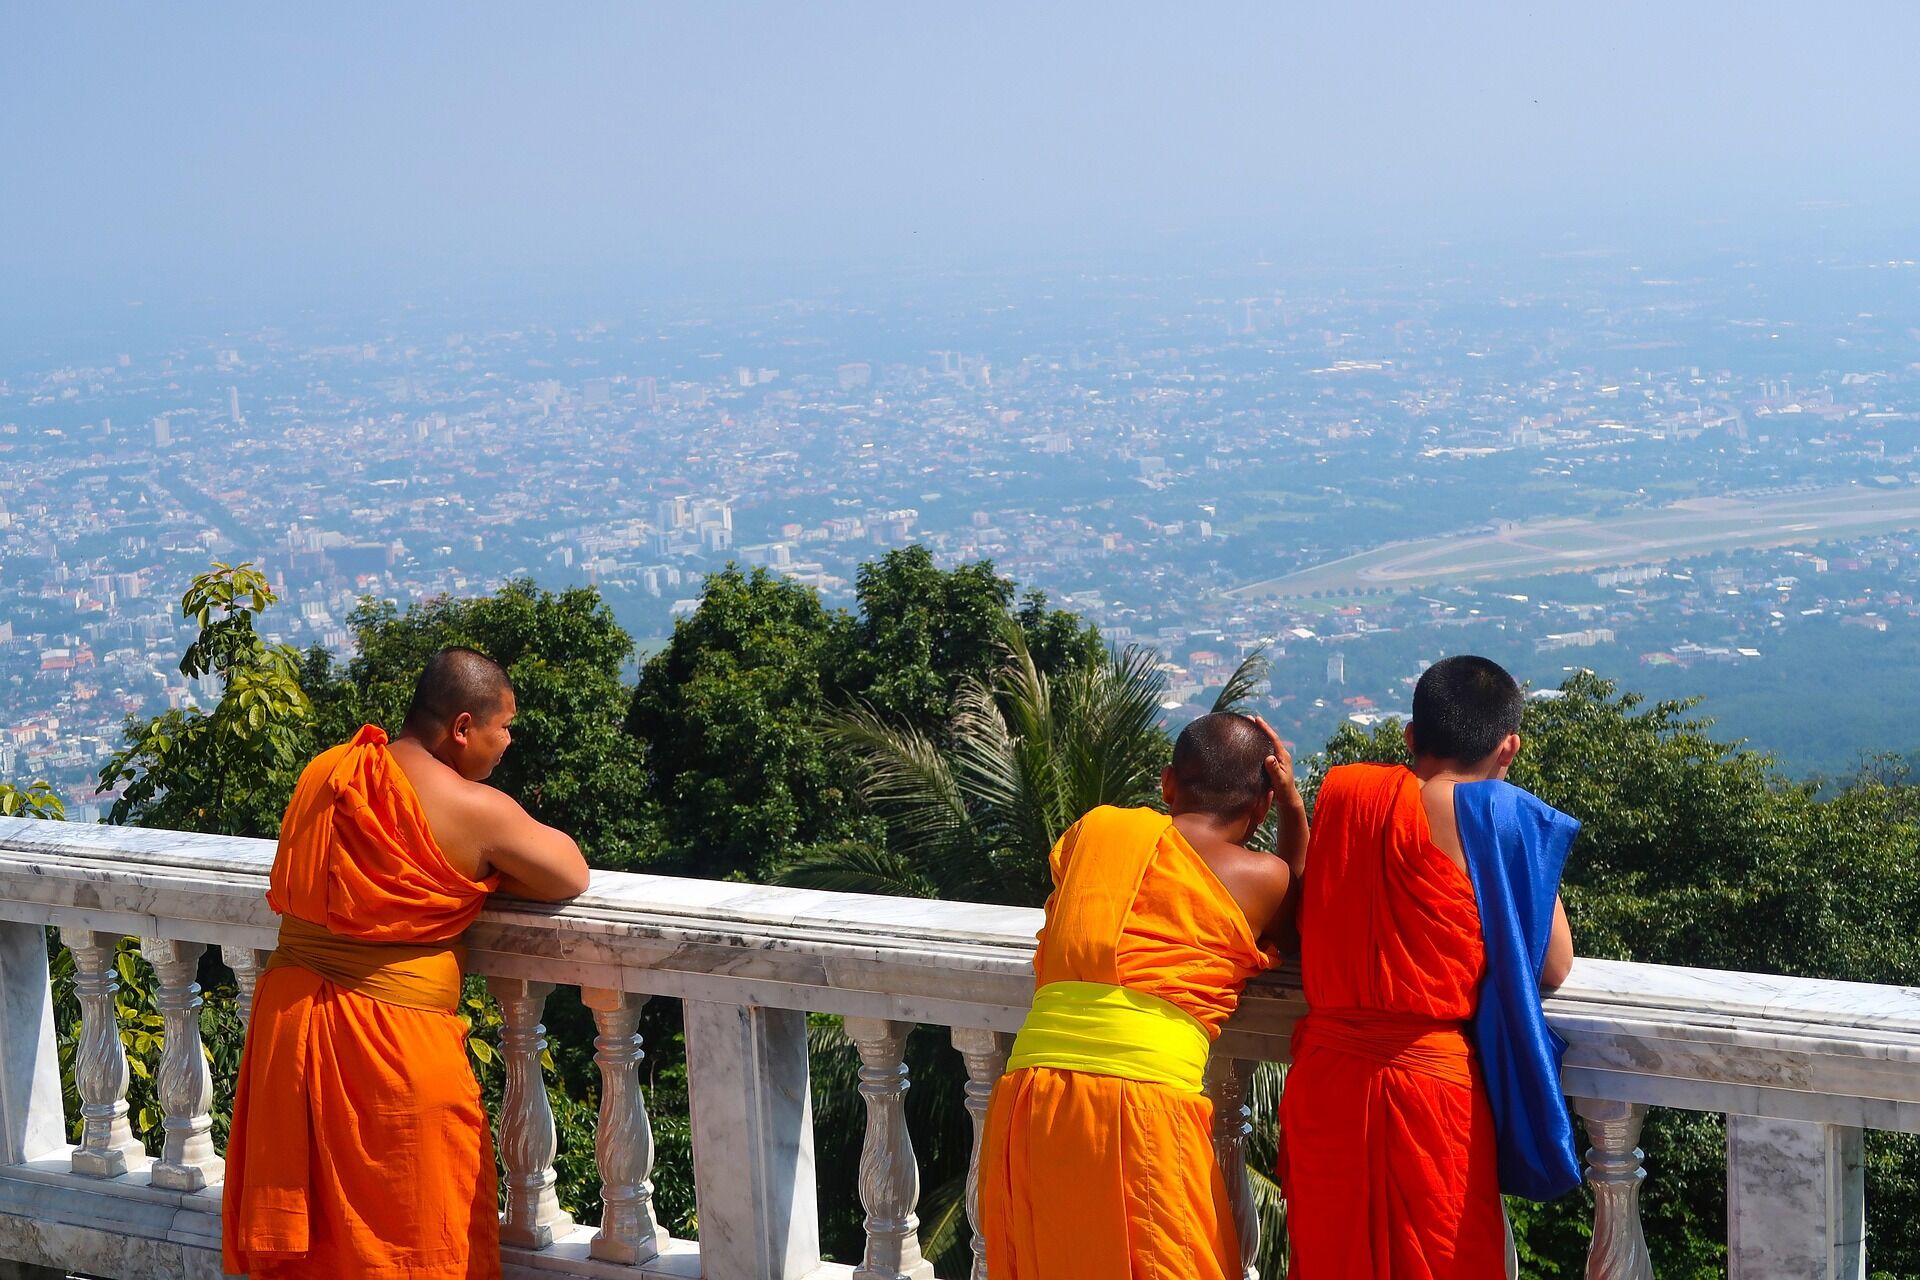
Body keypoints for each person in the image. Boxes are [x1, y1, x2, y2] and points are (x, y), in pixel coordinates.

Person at [223, 647, 591, 1280]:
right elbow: (569, 874)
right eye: (503, 727)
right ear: (463, 727)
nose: (507, 744)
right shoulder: (475, 809)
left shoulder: (327, 773)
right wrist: (482, 875)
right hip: (393, 1051)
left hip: (289, 1035)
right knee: (415, 1241)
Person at [979, 711, 1307, 1280]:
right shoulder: (1262, 877)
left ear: (1168, 785)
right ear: (1260, 808)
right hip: (1144, 1109)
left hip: (1031, 1098)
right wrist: (1295, 810)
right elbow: (1301, 927)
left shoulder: (1095, 832)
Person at [1279, 654, 1577, 1279]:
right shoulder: (1498, 816)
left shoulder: (1347, 793)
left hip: (1325, 1084)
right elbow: (1553, 966)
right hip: (1430, 1087)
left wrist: (1291, 813)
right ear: (1509, 747)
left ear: (1411, 738)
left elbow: (1309, 916)